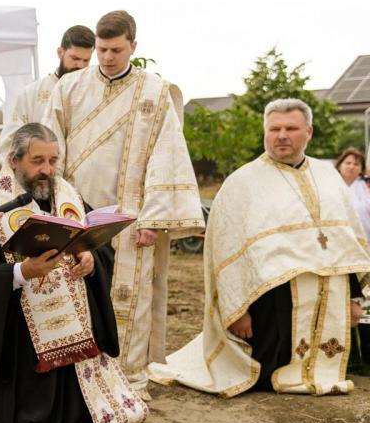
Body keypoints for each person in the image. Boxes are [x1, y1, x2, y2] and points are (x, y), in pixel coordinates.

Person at [149, 100, 370, 397]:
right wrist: (237, 312)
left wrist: (354, 299)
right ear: (264, 132)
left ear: (309, 131)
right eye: (274, 128)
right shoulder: (242, 182)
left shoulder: (329, 175)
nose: (281, 135)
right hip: (274, 301)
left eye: (290, 128)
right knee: (266, 377)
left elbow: (348, 243)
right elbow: (224, 254)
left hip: (330, 294)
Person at [42, 11, 203, 396]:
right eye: (101, 49)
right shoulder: (68, 89)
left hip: (132, 217)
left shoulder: (154, 90)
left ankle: (128, 379)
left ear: (133, 45)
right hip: (75, 212)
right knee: (78, 293)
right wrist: (55, 206)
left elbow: (167, 154)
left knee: (131, 300)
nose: (108, 58)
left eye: (116, 50)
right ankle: (78, 377)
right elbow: (51, 146)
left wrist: (155, 217)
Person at [0, 124, 147, 423]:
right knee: (34, 414)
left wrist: (91, 257)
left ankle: (85, 412)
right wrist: (19, 273)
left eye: (53, 160)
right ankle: (40, 415)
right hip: (22, 335)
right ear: (14, 160)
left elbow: (97, 241)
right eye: (37, 161)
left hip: (79, 328)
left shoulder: (68, 195)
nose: (46, 171)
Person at [0, 26, 95, 167]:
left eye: (86, 60)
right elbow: (8, 144)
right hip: (41, 181)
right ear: (60, 52)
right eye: (74, 58)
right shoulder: (31, 95)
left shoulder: (92, 95)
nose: (80, 65)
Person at [335, 147, 370, 239]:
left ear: (361, 169)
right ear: (339, 166)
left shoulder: (366, 187)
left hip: (366, 240)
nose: (351, 167)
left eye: (356, 164)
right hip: (338, 239)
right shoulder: (329, 186)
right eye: (348, 163)